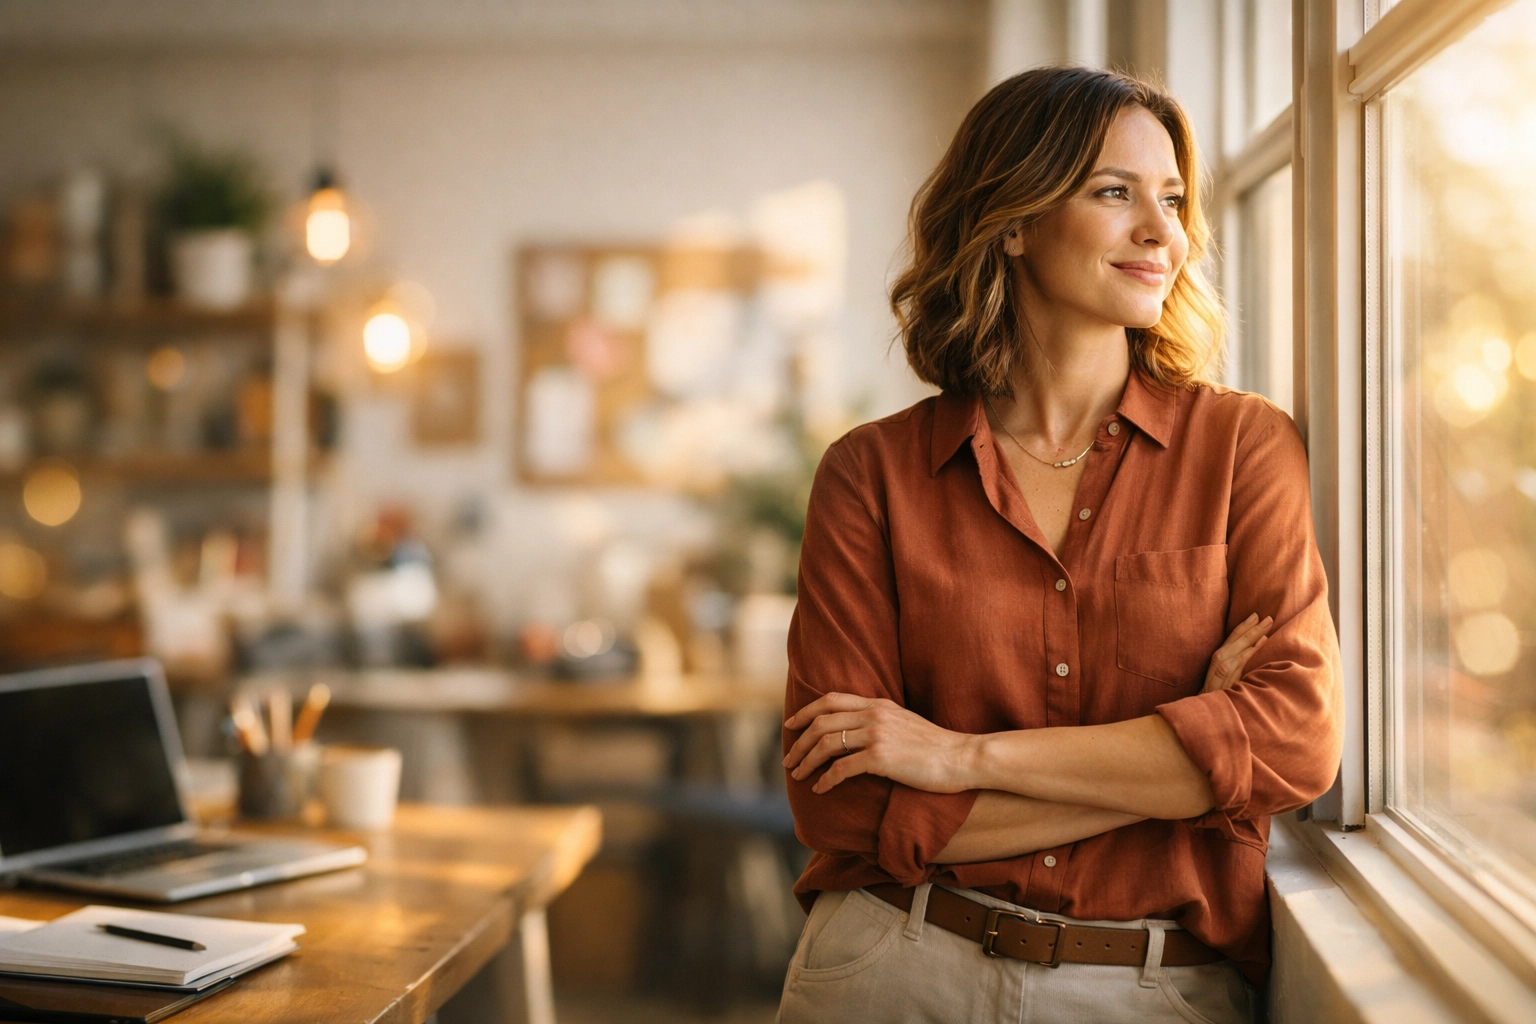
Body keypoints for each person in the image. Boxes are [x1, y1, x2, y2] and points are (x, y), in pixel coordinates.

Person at [775, 66, 1341, 1024]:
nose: (1162, 231)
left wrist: (959, 761)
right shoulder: (870, 475)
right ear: (1013, 219)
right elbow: (842, 808)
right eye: (1114, 193)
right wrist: (1190, 751)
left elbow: (1291, 738)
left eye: (1171, 200)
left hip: (1152, 989)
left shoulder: (1243, 449)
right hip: (893, 964)